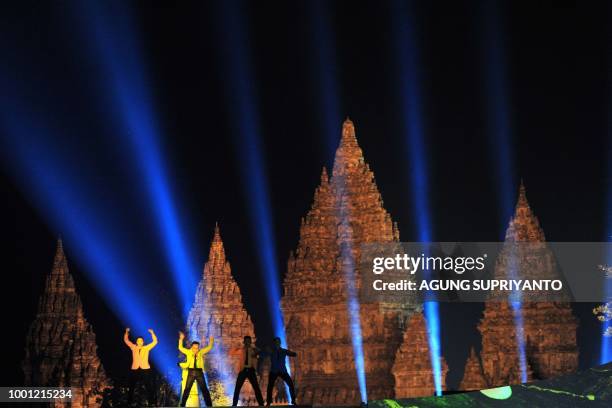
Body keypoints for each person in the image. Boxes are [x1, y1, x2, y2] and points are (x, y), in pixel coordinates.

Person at [178, 331, 214, 407]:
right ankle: (182, 404)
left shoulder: (200, 352)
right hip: (191, 372)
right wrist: (181, 339)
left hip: (199, 373)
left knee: (204, 390)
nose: (196, 349)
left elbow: (209, 347)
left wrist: (211, 340)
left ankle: (209, 405)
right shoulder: (188, 352)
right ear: (192, 347)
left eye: (197, 348)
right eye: (194, 348)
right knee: (187, 389)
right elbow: (180, 348)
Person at [123, 327, 158, 404]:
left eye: (141, 341)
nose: (139, 342)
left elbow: (155, 342)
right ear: (136, 342)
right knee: (132, 386)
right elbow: (126, 340)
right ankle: (129, 402)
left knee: (148, 385)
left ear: (143, 342)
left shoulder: (146, 348)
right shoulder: (133, 347)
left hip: (145, 368)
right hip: (135, 368)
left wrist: (152, 333)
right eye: (138, 341)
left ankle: (151, 402)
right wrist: (126, 332)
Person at [232, 335, 264, 406]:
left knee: (256, 387)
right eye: (246, 341)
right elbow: (232, 353)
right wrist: (237, 346)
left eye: (248, 341)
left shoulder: (253, 350)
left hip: (251, 370)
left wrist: (254, 349)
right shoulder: (241, 350)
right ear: (244, 342)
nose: (247, 342)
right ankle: (234, 404)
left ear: (250, 342)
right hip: (243, 370)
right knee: (237, 387)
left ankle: (261, 403)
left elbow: (260, 352)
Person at [264, 337, 297, 406]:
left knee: (290, 384)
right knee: (270, 386)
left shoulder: (283, 351)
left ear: (280, 343)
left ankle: (293, 400)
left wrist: (294, 354)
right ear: (274, 343)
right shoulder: (271, 351)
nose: (277, 343)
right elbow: (264, 351)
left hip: (283, 371)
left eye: (278, 342)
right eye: (276, 342)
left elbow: (291, 353)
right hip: (274, 371)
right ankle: (269, 402)